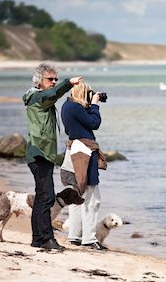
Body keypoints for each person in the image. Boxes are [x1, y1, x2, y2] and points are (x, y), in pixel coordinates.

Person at [23, 63, 82, 251]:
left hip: (42, 154)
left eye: (56, 79)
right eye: (51, 79)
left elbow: (52, 95)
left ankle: (37, 239)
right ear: (40, 81)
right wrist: (67, 83)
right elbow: (51, 94)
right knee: (47, 197)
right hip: (38, 153)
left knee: (42, 197)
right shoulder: (37, 97)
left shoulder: (39, 98)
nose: (54, 82)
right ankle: (46, 239)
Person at [60, 81, 104, 250]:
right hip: (85, 153)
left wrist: (89, 105)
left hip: (75, 151)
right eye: (88, 93)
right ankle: (89, 239)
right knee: (92, 199)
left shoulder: (67, 106)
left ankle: (74, 236)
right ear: (83, 93)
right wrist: (94, 105)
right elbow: (94, 123)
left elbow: (82, 122)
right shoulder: (76, 108)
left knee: (78, 197)